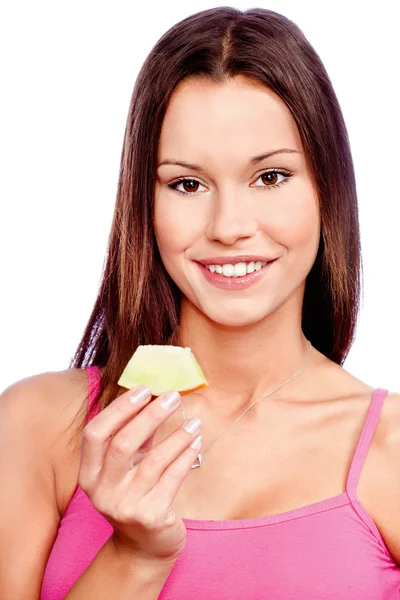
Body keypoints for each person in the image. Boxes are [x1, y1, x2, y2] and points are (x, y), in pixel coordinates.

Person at [1, 5, 399, 599]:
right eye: (187, 183)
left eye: (270, 177)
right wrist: (133, 556)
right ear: (146, 203)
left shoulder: (392, 451)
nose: (229, 226)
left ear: (328, 189)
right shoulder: (37, 426)